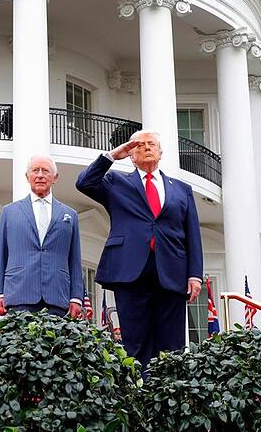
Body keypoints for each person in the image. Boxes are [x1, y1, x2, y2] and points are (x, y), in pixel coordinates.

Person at [75, 130, 203, 370]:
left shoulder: (181, 189)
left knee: (172, 343)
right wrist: (113, 156)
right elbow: (84, 182)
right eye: (139, 145)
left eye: (151, 143)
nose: (146, 148)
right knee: (136, 341)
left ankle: (168, 394)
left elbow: (192, 234)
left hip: (172, 272)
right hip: (130, 270)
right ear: (131, 155)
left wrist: (194, 274)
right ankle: (140, 392)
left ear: (161, 152)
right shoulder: (116, 182)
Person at [0, 154, 84, 318]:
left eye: (46, 171)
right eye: (35, 170)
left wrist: (76, 297)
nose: (40, 175)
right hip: (19, 293)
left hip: (57, 296)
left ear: (55, 177)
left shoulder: (69, 215)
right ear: (28, 177)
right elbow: (0, 254)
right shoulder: (9, 212)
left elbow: (74, 259)